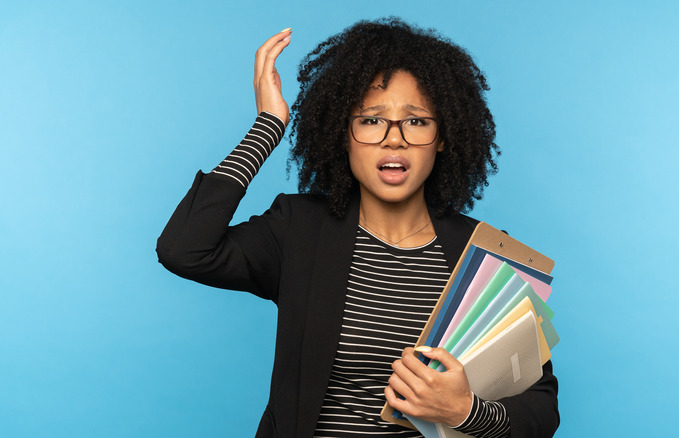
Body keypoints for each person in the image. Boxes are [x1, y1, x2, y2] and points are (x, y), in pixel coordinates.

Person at [157, 18, 559, 438]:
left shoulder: (483, 254)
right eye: (371, 120)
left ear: (443, 136)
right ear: (342, 133)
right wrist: (269, 125)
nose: (394, 139)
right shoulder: (298, 230)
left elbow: (542, 408)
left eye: (417, 121)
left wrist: (464, 411)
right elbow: (184, 249)